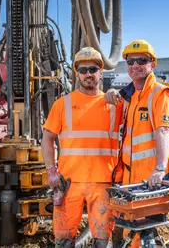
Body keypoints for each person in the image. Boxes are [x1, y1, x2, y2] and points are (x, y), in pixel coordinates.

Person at [41, 47, 123, 248]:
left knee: (102, 241)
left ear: (101, 72)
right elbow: (47, 138)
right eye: (83, 69)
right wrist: (51, 171)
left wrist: (117, 91)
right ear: (76, 72)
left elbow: (138, 96)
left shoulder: (115, 104)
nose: (88, 74)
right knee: (63, 240)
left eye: (93, 69)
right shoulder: (63, 104)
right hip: (69, 184)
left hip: (103, 183)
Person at [105, 39, 169, 247]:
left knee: (144, 233)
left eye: (142, 60)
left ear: (152, 64)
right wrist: (111, 94)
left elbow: (163, 131)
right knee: (133, 231)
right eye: (130, 61)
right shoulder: (131, 96)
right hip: (132, 178)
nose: (135, 65)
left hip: (151, 179)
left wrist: (159, 168)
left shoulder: (159, 93)